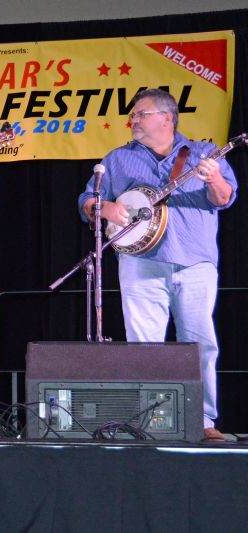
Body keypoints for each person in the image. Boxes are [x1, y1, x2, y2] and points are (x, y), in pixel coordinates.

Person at [78, 88, 238, 441]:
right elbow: (87, 199)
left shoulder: (202, 153)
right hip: (139, 262)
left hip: (195, 263)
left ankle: (202, 420)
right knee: (144, 346)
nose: (133, 120)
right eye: (133, 115)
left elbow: (224, 198)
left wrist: (214, 179)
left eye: (141, 114)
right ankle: (152, 422)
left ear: (167, 118)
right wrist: (105, 208)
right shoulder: (118, 159)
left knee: (199, 344)